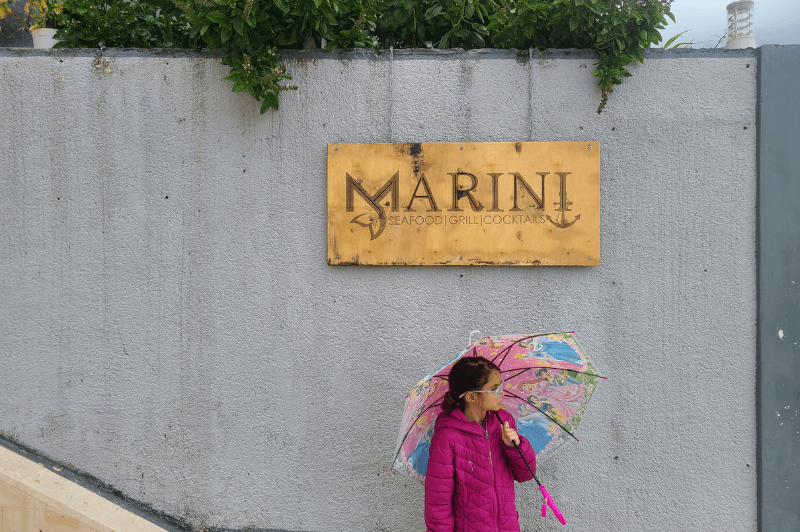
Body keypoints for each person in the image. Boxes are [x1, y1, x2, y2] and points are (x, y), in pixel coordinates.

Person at [424, 356, 537, 532]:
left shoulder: (504, 422)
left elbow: (526, 473)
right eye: (494, 388)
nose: (502, 393)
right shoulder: (447, 437)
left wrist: (515, 446)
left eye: (500, 385)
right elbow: (438, 503)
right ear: (471, 396)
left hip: (508, 527)